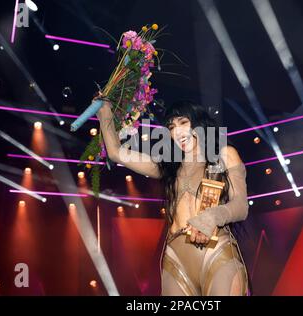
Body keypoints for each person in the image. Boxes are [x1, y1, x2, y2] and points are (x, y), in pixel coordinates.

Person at [96, 99, 250, 296]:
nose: (177, 132)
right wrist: (105, 112)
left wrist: (211, 217)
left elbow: (241, 206)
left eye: (183, 122)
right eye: (171, 127)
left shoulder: (225, 154)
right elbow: (116, 153)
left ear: (199, 123)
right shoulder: (169, 167)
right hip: (176, 259)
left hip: (216, 252)